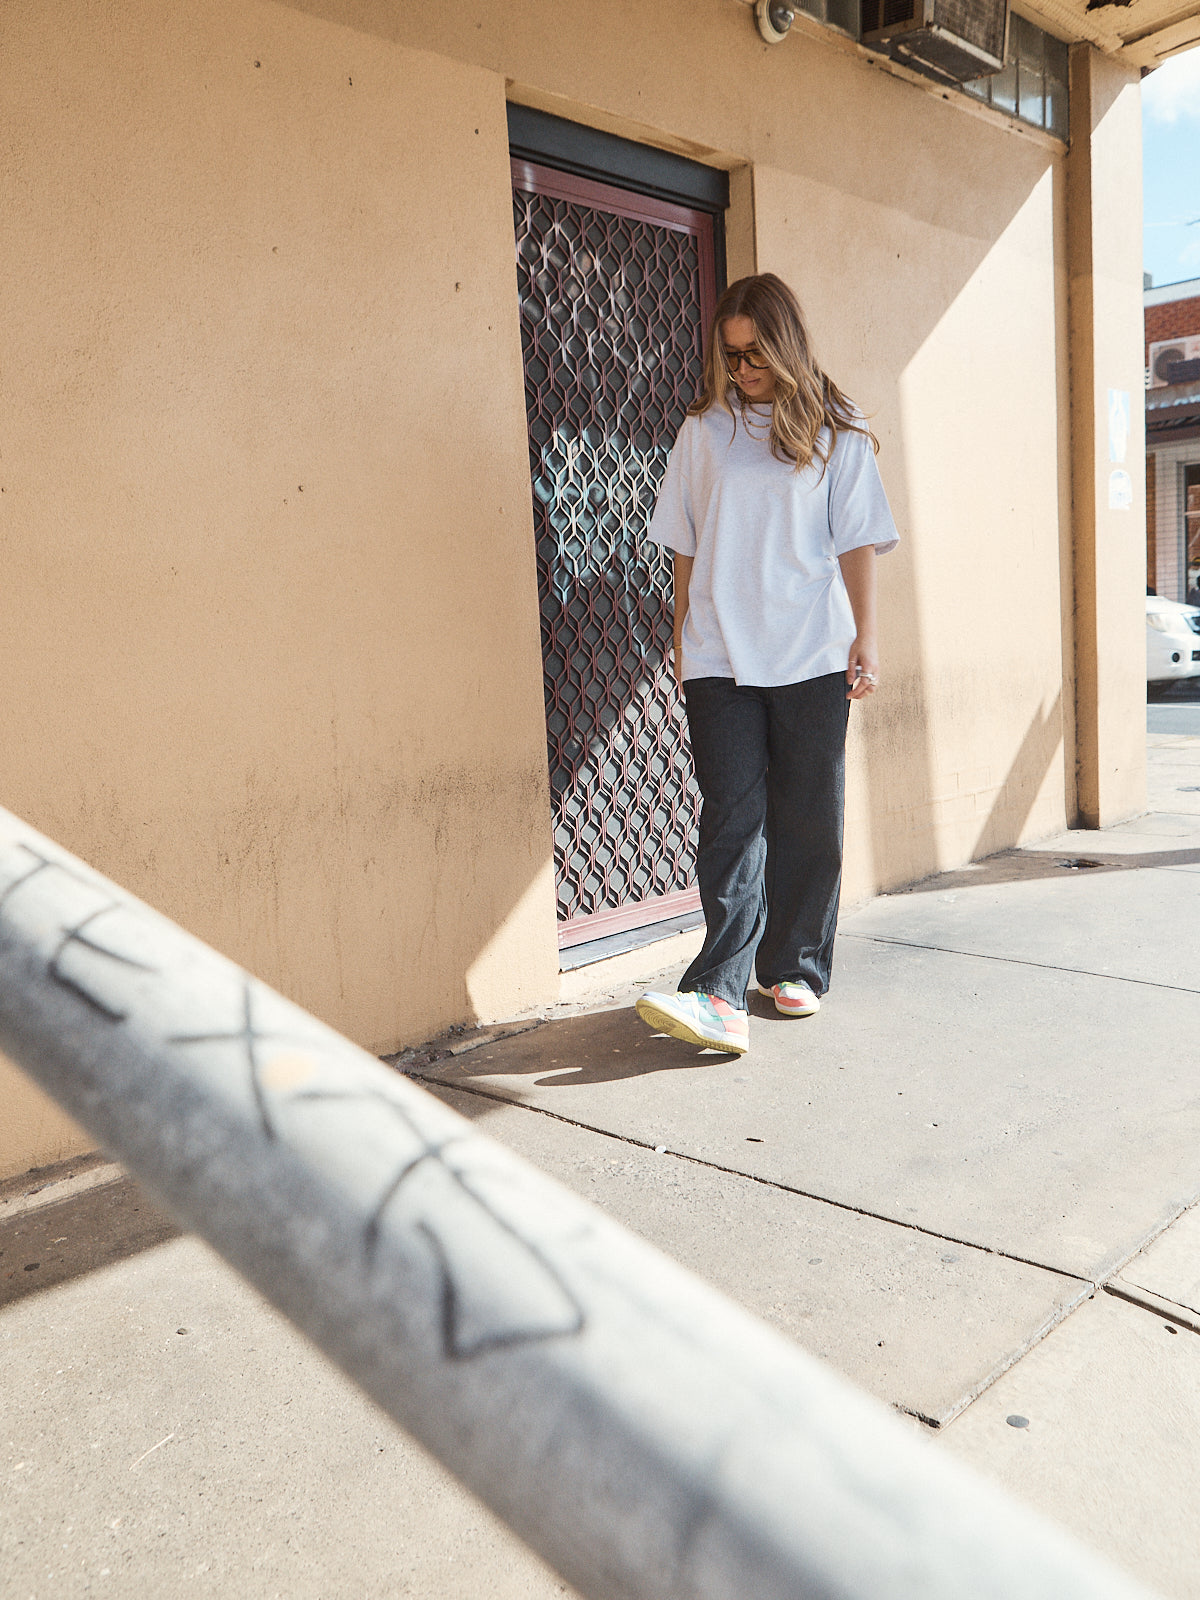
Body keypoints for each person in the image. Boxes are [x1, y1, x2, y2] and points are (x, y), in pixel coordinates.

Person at [635, 273, 899, 1057]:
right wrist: (683, 636)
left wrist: (867, 637)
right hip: (720, 655)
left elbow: (857, 542)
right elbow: (682, 542)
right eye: (732, 355)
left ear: (785, 346)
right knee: (731, 821)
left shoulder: (836, 435)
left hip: (813, 652)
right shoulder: (704, 432)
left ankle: (797, 969)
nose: (743, 370)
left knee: (809, 816)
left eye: (755, 355)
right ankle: (718, 992)